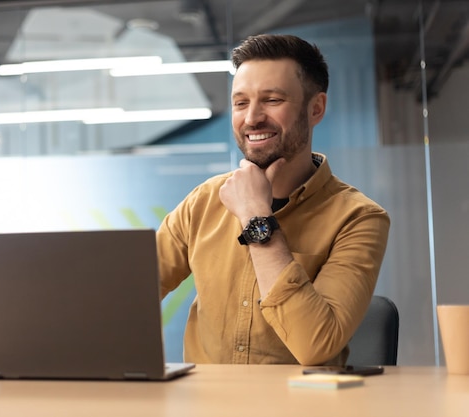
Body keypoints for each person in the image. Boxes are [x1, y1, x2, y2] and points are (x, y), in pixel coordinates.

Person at [156, 34, 390, 366]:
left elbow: (315, 346)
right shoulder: (205, 201)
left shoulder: (358, 218)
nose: (251, 118)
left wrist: (255, 217)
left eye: (272, 100)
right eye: (240, 102)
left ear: (316, 108)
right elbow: (128, 296)